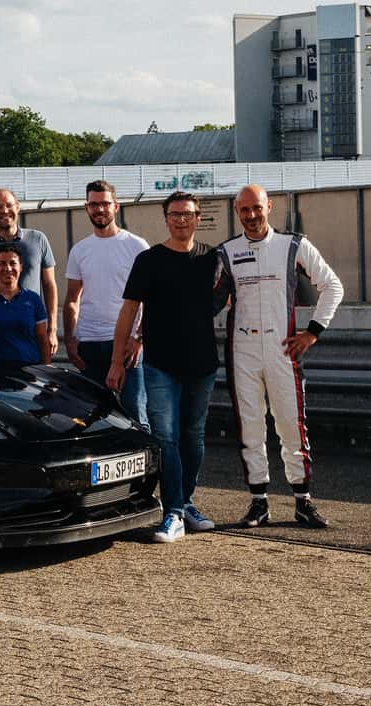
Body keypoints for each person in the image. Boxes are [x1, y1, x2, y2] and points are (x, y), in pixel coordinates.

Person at [218, 184, 346, 529]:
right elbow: (208, 299)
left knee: (291, 425)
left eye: (256, 208)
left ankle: (303, 501)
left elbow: (333, 285)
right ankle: (258, 502)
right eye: (244, 210)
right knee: (250, 427)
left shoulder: (293, 245)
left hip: (283, 349)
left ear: (269, 207)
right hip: (242, 351)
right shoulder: (226, 252)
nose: (251, 215)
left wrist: (313, 332)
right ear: (236, 212)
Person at [109, 192, 227, 543]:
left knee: (193, 437)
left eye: (187, 214)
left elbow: (231, 298)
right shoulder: (148, 260)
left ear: (198, 218)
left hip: (202, 364)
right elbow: (128, 311)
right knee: (166, 437)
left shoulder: (213, 259)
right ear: (166, 219)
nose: (181, 220)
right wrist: (117, 361)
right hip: (160, 364)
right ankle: (172, 512)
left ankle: (186, 503)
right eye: (174, 214)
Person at [63, 180, 151, 427]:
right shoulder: (79, 250)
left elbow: (151, 298)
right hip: (89, 344)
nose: (99, 209)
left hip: (127, 346)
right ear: (86, 208)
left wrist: (139, 338)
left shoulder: (137, 246)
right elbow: (72, 299)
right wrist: (70, 340)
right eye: (93, 205)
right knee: (91, 417)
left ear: (116, 206)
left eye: (104, 204)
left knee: (135, 416)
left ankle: (143, 454)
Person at [0, 187, 58, 358]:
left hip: (30, 334)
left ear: (18, 206)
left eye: (9, 205)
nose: (4, 211)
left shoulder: (38, 240)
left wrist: (52, 329)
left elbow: (49, 285)